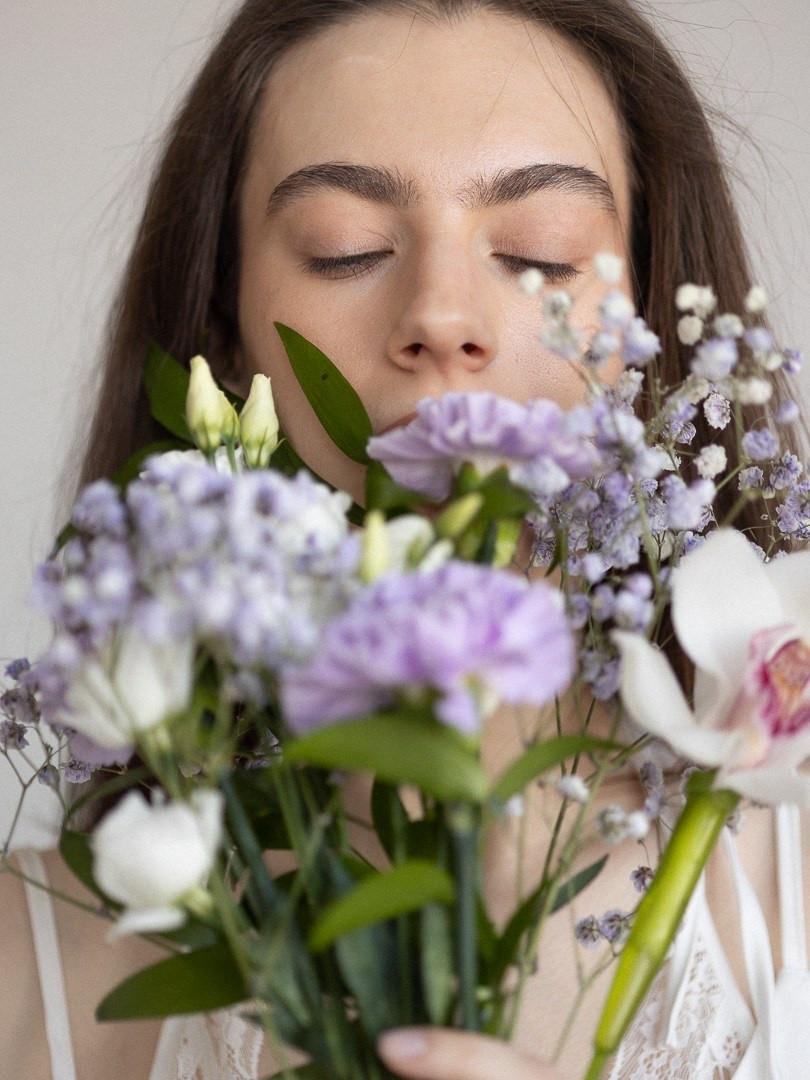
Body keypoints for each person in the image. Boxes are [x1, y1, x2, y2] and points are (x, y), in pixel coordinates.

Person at [3, 1, 809, 1078]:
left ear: (653, 332)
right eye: (349, 251)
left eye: (539, 254)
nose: (439, 314)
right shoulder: (31, 958)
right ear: (222, 339)